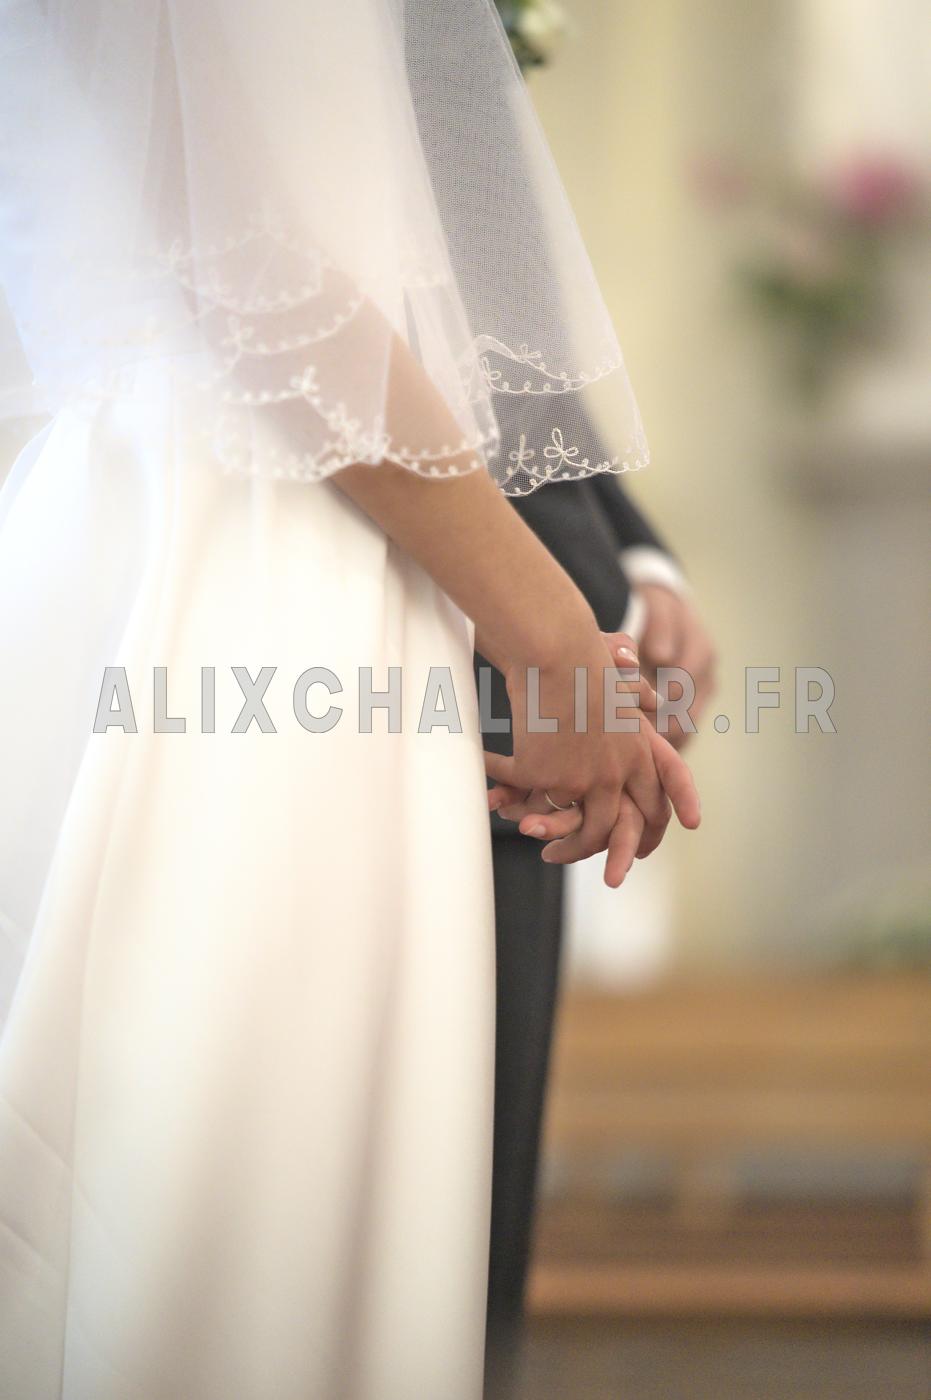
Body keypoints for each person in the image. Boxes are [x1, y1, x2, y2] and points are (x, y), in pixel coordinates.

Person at [0, 3, 699, 1397]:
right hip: (246, 563)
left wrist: (583, 595)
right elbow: (261, 274)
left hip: (338, 551)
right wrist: (552, 642)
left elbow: (437, 254)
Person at [481, 462, 716, 1396]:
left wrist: (637, 561)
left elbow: (512, 379)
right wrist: (570, 645)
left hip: (498, 684)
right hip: (435, 677)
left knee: (464, 1246)